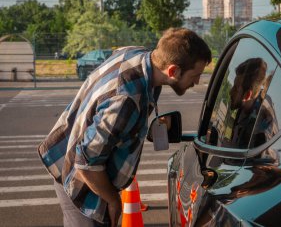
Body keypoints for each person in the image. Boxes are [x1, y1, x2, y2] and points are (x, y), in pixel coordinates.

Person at [37, 28, 211, 227]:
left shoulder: (135, 54)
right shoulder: (127, 100)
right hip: (82, 184)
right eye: (195, 75)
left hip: (66, 155)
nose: (197, 81)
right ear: (172, 71)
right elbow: (85, 161)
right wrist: (113, 200)